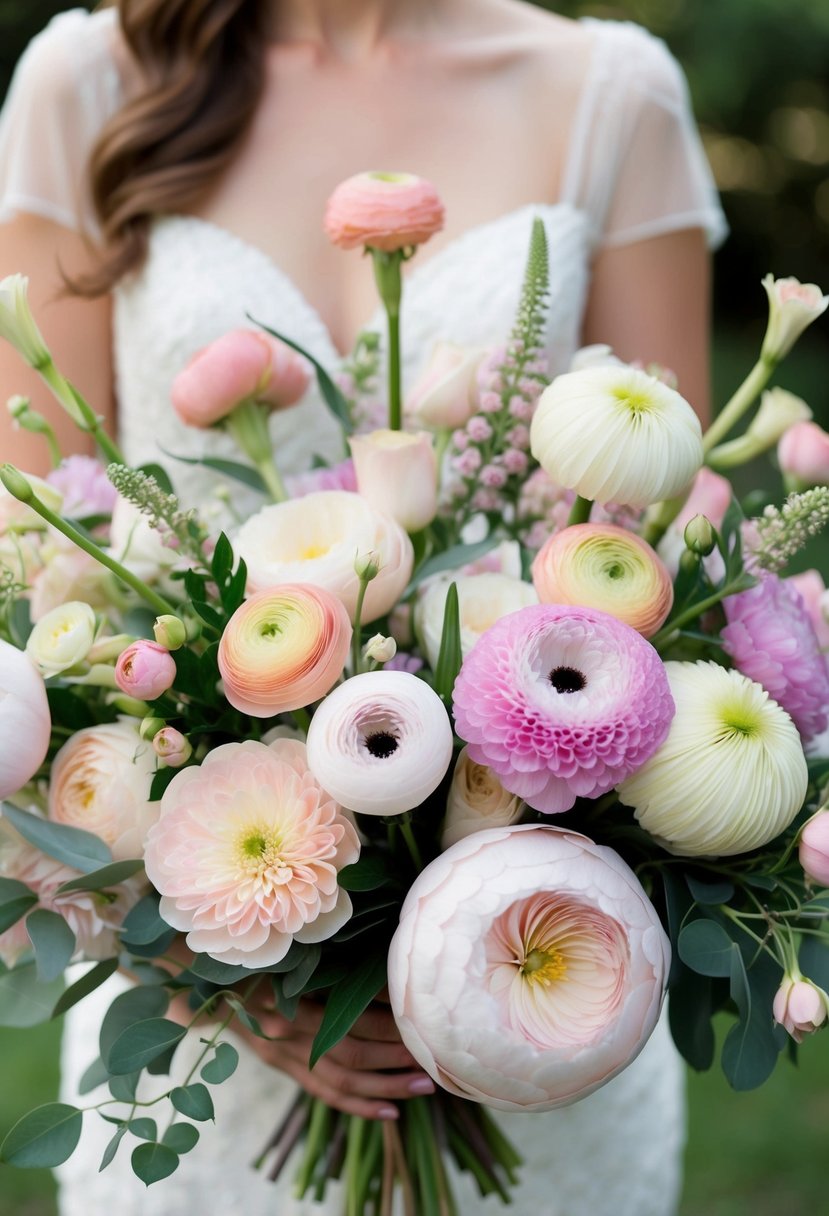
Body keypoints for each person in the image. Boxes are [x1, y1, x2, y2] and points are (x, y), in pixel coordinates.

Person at [0, 2, 727, 1213]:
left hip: (536, 970)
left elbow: (664, 542)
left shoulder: (614, 92)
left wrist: (484, 944)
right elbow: (33, 546)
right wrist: (225, 976)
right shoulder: (89, 78)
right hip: (207, 1022)